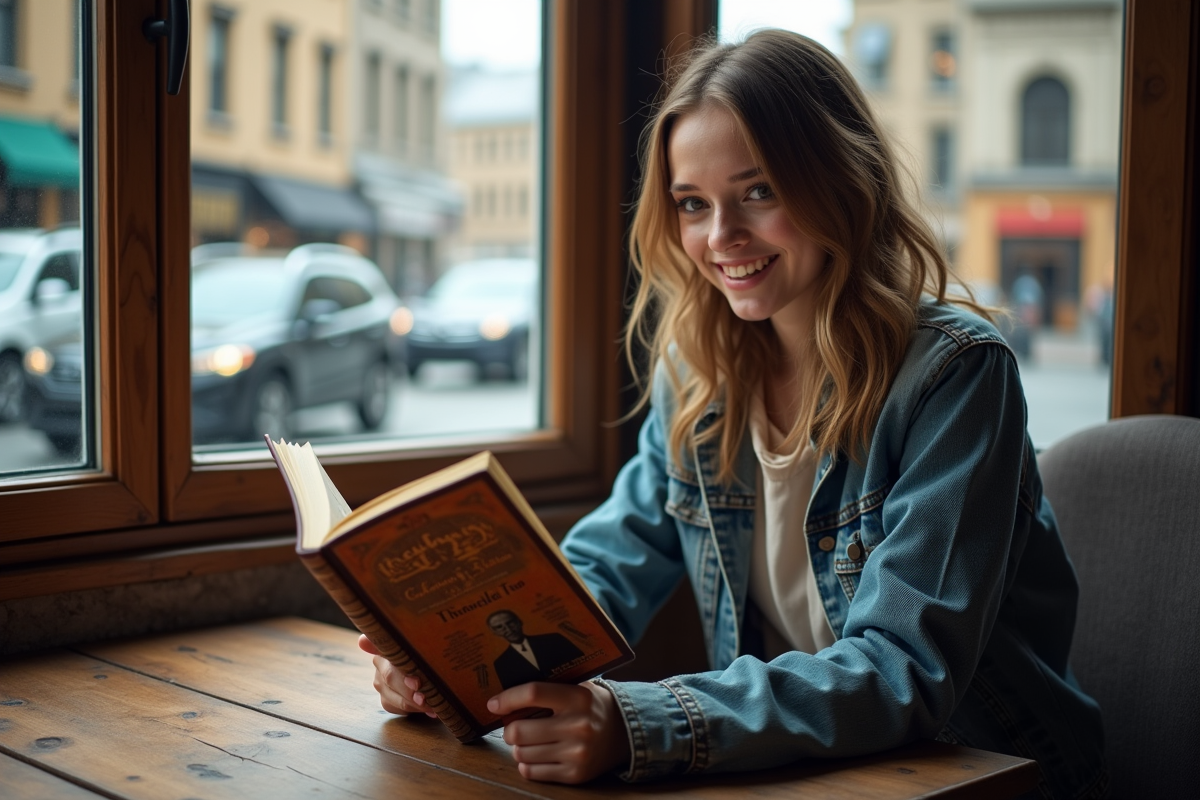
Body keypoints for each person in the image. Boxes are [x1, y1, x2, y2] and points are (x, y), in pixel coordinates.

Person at [359, 29, 1107, 797]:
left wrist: (640, 723)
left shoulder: (955, 375)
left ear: (839, 182)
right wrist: (448, 661)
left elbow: (903, 669)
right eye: (692, 204)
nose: (721, 238)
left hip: (980, 771)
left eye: (759, 192)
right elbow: (599, 576)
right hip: (802, 770)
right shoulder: (700, 374)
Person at [486, 609, 585, 689]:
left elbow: (584, 664)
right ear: (495, 633)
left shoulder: (554, 639)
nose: (508, 629)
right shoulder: (501, 664)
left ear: (519, 622)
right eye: (499, 627)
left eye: (510, 623)